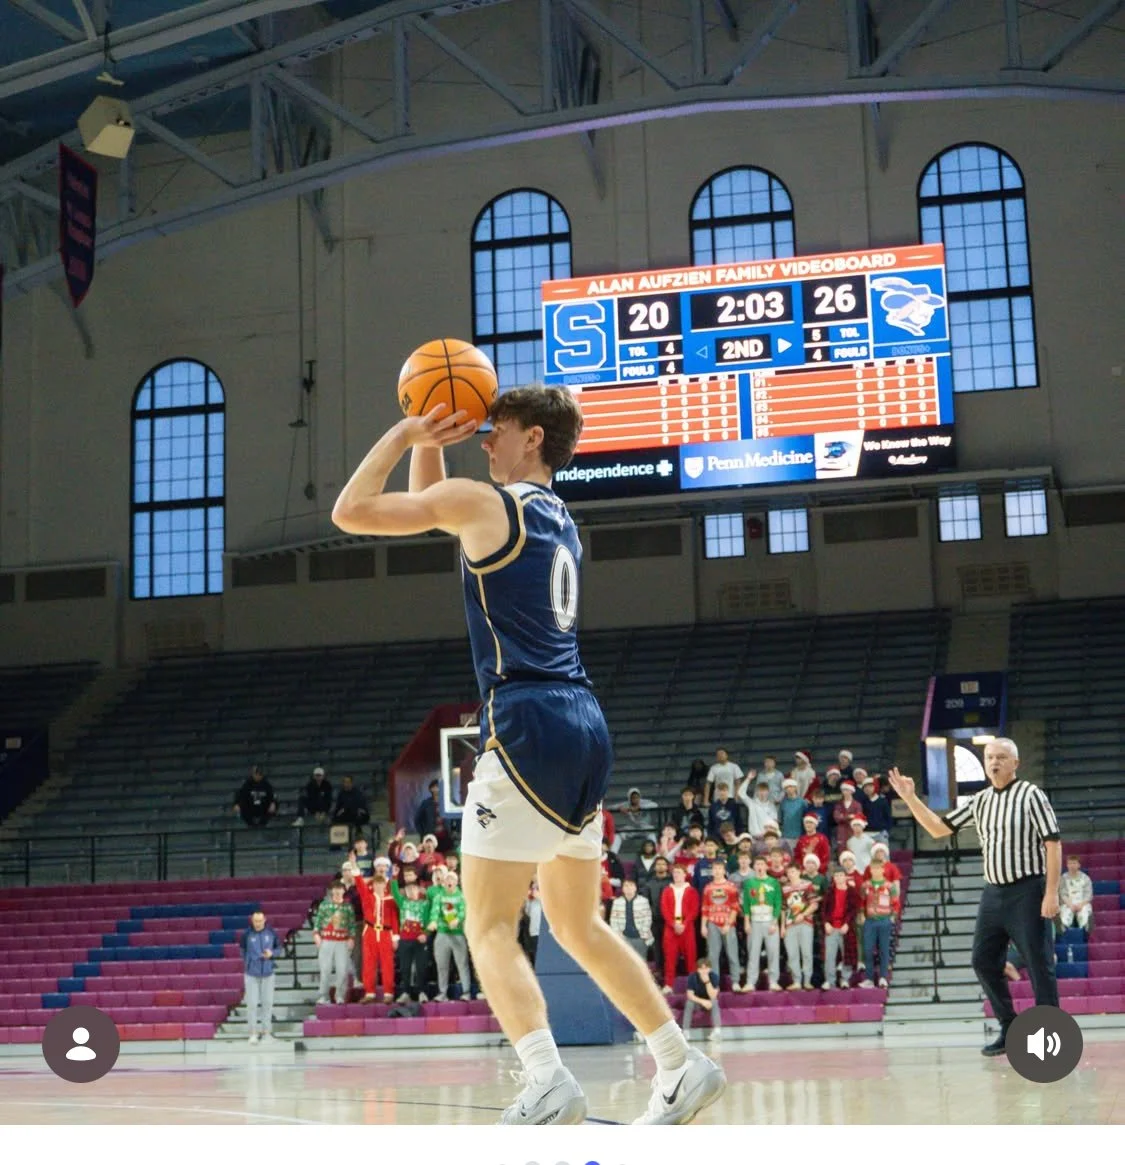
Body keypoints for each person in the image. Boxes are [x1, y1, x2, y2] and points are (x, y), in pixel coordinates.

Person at [332, 385, 723, 1124]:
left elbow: (350, 512)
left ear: (534, 437)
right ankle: (678, 1060)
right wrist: (431, 442)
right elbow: (440, 509)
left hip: (524, 721)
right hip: (582, 722)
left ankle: (544, 1075)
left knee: (486, 923)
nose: (483, 441)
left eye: (495, 430)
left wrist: (403, 429)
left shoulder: (489, 505)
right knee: (578, 924)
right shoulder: (556, 518)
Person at [887, 739, 1062, 1058]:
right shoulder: (980, 800)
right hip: (994, 893)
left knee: (1039, 964)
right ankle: (1010, 1026)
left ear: (1015, 763)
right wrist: (911, 798)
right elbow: (938, 828)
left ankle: (1050, 1038)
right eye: (990, 757)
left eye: (1001, 757)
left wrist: (1051, 892)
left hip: (1028, 888)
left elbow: (1053, 843)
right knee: (982, 960)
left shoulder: (1031, 795)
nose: (994, 761)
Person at [345, 855, 400, 1003]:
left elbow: (394, 919)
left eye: (381, 884)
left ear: (384, 885)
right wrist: (353, 864)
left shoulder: (390, 900)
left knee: (387, 963)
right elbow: (359, 882)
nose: (378, 886)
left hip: (385, 932)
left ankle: (388, 992)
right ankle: (369, 992)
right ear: (373, 885)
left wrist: (395, 937)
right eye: (375, 884)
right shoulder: (367, 897)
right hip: (369, 931)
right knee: (368, 962)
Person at [429, 868, 474, 1001]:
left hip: (458, 934)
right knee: (441, 965)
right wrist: (433, 922)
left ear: (457, 882)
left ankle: (466, 992)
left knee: (462, 964)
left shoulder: (461, 897)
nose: (450, 881)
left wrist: (457, 920)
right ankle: (442, 993)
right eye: (448, 879)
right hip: (442, 934)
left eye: (452, 879)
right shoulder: (439, 896)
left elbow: (463, 911)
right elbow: (435, 911)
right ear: (444, 881)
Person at [239, 910, 281, 1044]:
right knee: (251, 1004)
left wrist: (272, 953)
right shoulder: (246, 934)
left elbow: (278, 948)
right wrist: (248, 963)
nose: (257, 923)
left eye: (260, 921)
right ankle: (252, 1033)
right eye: (255, 921)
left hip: (268, 973)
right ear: (252, 921)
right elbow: (242, 949)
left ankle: (266, 1033)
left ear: (264, 920)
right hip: (251, 974)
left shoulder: (271, 933)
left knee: (267, 1004)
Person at [311, 880, 356, 1005]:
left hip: (342, 941)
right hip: (327, 940)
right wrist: (316, 935)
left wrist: (351, 938)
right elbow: (318, 921)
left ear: (343, 891)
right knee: (325, 969)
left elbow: (352, 924)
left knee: (342, 970)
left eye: (339, 889)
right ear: (331, 892)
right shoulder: (324, 905)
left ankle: (340, 995)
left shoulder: (347, 907)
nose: (337, 892)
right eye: (334, 889)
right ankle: (324, 995)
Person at [742, 855, 783, 991]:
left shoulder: (774, 882)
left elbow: (778, 903)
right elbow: (746, 904)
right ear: (754, 867)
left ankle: (773, 981)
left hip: (770, 922)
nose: (760, 867)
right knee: (753, 953)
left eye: (762, 864)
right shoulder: (749, 883)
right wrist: (747, 923)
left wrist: (774, 922)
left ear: (766, 866)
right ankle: (750, 982)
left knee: (773, 952)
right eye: (757, 864)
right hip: (754, 922)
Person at [858, 856, 899, 989]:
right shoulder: (866, 885)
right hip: (869, 921)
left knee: (883, 950)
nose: (875, 870)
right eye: (873, 868)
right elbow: (861, 901)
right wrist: (861, 915)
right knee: (868, 950)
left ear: (882, 869)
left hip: (884, 920)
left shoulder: (889, 886)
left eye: (878, 868)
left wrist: (893, 916)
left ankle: (882, 977)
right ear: (870, 870)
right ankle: (869, 978)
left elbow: (895, 903)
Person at [701, 859, 742, 991]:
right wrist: (703, 925)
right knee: (712, 955)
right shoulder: (708, 888)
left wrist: (728, 924)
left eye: (720, 868)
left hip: (728, 924)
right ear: (712, 871)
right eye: (715, 869)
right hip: (712, 923)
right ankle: (715, 983)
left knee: (732, 953)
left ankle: (735, 981)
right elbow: (705, 908)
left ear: (724, 871)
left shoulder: (731, 886)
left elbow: (735, 907)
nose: (717, 871)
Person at [391, 868, 431, 1002]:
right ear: (406, 893)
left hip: (420, 940)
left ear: (418, 891)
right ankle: (406, 992)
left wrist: (426, 934)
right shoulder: (403, 903)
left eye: (414, 889)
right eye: (408, 890)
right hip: (405, 940)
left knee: (421, 967)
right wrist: (395, 877)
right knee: (404, 967)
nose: (411, 892)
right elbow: (395, 892)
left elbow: (430, 921)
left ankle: (422, 992)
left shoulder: (425, 904)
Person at [660, 862, 700, 992]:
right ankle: (668, 984)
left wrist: (685, 924)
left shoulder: (691, 891)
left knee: (690, 957)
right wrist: (673, 924)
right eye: (674, 873)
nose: (676, 875)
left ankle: (692, 985)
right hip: (670, 929)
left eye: (679, 872)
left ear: (685, 875)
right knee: (670, 957)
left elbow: (694, 910)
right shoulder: (667, 890)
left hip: (687, 928)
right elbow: (664, 909)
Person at [781, 863, 819, 990]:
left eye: (793, 871)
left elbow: (814, 904)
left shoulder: (807, 885)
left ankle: (807, 980)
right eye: (789, 872)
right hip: (790, 924)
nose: (791, 874)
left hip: (805, 923)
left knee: (806, 952)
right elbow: (783, 909)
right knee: (792, 954)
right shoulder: (785, 889)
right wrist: (782, 927)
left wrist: (803, 915)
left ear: (799, 872)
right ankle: (796, 980)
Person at [822, 868, 861, 989]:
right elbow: (823, 910)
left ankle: (845, 979)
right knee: (829, 956)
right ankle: (830, 980)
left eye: (840, 875)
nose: (838, 878)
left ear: (845, 877)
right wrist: (826, 923)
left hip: (845, 928)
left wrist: (847, 924)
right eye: (836, 875)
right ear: (833, 878)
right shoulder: (829, 892)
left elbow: (854, 910)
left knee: (847, 954)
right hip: (831, 927)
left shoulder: (852, 892)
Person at [609, 878, 654, 963]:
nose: (628, 887)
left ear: (635, 888)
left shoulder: (644, 901)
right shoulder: (617, 902)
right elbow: (613, 920)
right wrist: (618, 934)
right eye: (626, 885)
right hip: (623, 937)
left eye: (631, 885)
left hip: (640, 937)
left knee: (641, 963)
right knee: (625, 963)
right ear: (622, 889)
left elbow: (648, 918)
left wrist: (643, 934)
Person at [681, 956, 722, 1040]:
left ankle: (717, 1031)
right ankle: (685, 1032)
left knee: (714, 1001)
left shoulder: (714, 976)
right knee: (689, 1003)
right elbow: (690, 995)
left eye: (706, 968)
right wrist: (703, 1002)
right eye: (701, 969)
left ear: (710, 969)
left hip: (709, 1002)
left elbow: (713, 996)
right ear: (697, 969)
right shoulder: (692, 977)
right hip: (698, 1002)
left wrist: (707, 982)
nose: (703, 971)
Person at [1058, 854, 1094, 932]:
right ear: (1067, 865)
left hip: (1082, 903)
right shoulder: (1063, 878)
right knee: (1065, 914)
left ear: (1079, 865)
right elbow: (1062, 893)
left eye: (1074, 863)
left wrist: (1081, 905)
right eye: (1070, 863)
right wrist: (1070, 905)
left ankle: (1085, 930)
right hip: (1067, 903)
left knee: (1084, 913)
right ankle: (1063, 930)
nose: (1072, 865)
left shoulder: (1085, 878)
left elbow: (1088, 894)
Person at [737, 775, 778, 840]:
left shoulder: (771, 806)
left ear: (768, 792)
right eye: (760, 791)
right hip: (754, 838)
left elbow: (774, 822)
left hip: (767, 838)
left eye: (764, 791)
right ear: (757, 792)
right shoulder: (751, 803)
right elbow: (740, 793)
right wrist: (748, 779)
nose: (762, 793)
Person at [857, 773, 892, 843]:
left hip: (880, 833)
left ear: (875, 787)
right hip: (866, 834)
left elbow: (888, 817)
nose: (867, 789)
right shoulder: (862, 802)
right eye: (865, 787)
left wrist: (886, 830)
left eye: (870, 786)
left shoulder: (883, 801)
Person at [520, 880, 544, 966]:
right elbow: (526, 913)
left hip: (541, 932)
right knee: (532, 955)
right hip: (532, 932)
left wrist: (537, 894)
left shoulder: (543, 897)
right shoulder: (530, 901)